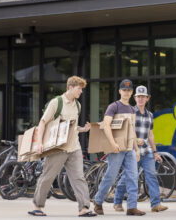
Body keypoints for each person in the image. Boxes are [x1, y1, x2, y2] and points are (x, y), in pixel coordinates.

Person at [28, 76, 97, 217]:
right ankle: (37, 206)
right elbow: (42, 122)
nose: (81, 92)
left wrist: (82, 129)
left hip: (74, 146)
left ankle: (84, 208)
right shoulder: (56, 103)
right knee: (48, 176)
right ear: (70, 88)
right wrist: (40, 143)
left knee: (78, 177)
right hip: (57, 148)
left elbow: (70, 127)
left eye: (82, 89)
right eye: (79, 89)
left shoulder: (77, 105)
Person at [93, 79, 145, 216]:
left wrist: (137, 149)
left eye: (129, 90)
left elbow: (132, 129)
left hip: (129, 149)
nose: (126, 92)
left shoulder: (132, 109)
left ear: (131, 92)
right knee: (111, 175)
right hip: (116, 148)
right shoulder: (113, 107)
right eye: (124, 90)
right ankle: (98, 201)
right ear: (119, 91)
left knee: (133, 177)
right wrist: (112, 144)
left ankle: (132, 207)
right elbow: (106, 125)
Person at [113, 85, 168, 213]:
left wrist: (155, 152)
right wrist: (135, 140)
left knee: (152, 176)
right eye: (138, 97)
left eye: (143, 97)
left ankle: (156, 204)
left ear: (147, 98)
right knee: (127, 177)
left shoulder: (150, 115)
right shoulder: (131, 112)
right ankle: (117, 202)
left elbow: (150, 134)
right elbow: (126, 130)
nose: (141, 99)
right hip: (133, 151)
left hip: (147, 152)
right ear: (135, 98)